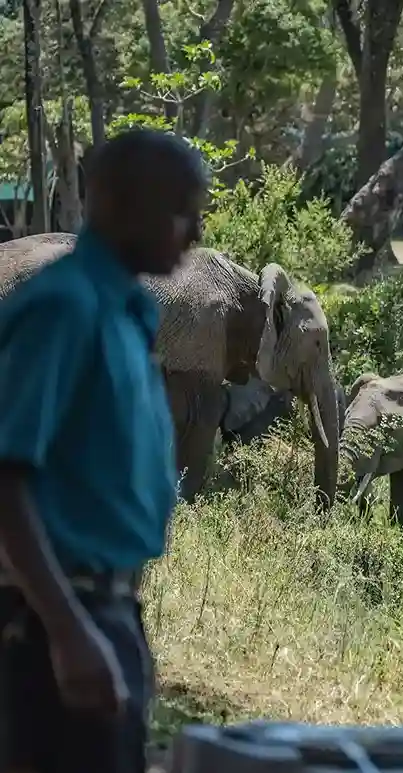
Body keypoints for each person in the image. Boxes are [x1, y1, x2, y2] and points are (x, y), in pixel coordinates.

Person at [0, 129, 207, 773]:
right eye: (181, 209)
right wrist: (66, 630)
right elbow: (4, 474)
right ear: (117, 204)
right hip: (53, 621)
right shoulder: (64, 307)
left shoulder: (124, 311)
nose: (196, 231)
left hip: (108, 610)